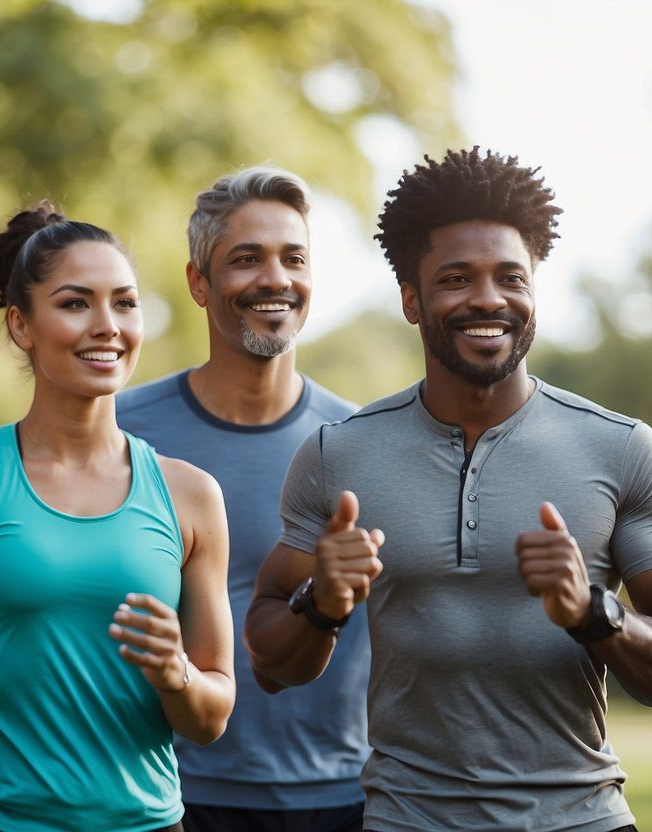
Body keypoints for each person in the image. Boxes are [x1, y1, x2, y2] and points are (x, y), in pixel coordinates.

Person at [244, 147, 652, 832]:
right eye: (455, 278)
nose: (487, 299)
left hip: (580, 819)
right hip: (404, 821)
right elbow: (269, 664)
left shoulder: (619, 448)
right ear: (411, 299)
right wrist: (319, 603)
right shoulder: (337, 454)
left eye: (509, 277)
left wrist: (594, 613)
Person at [0, 202, 235, 832]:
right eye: (75, 303)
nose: (108, 325)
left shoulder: (192, 496)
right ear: (21, 325)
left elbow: (211, 715)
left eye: (126, 302)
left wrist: (177, 674)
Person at [117, 167, 368, 832]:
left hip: (339, 801)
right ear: (199, 282)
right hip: (158, 794)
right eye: (246, 259)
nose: (274, 280)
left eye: (293, 258)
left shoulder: (364, 445)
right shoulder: (117, 434)